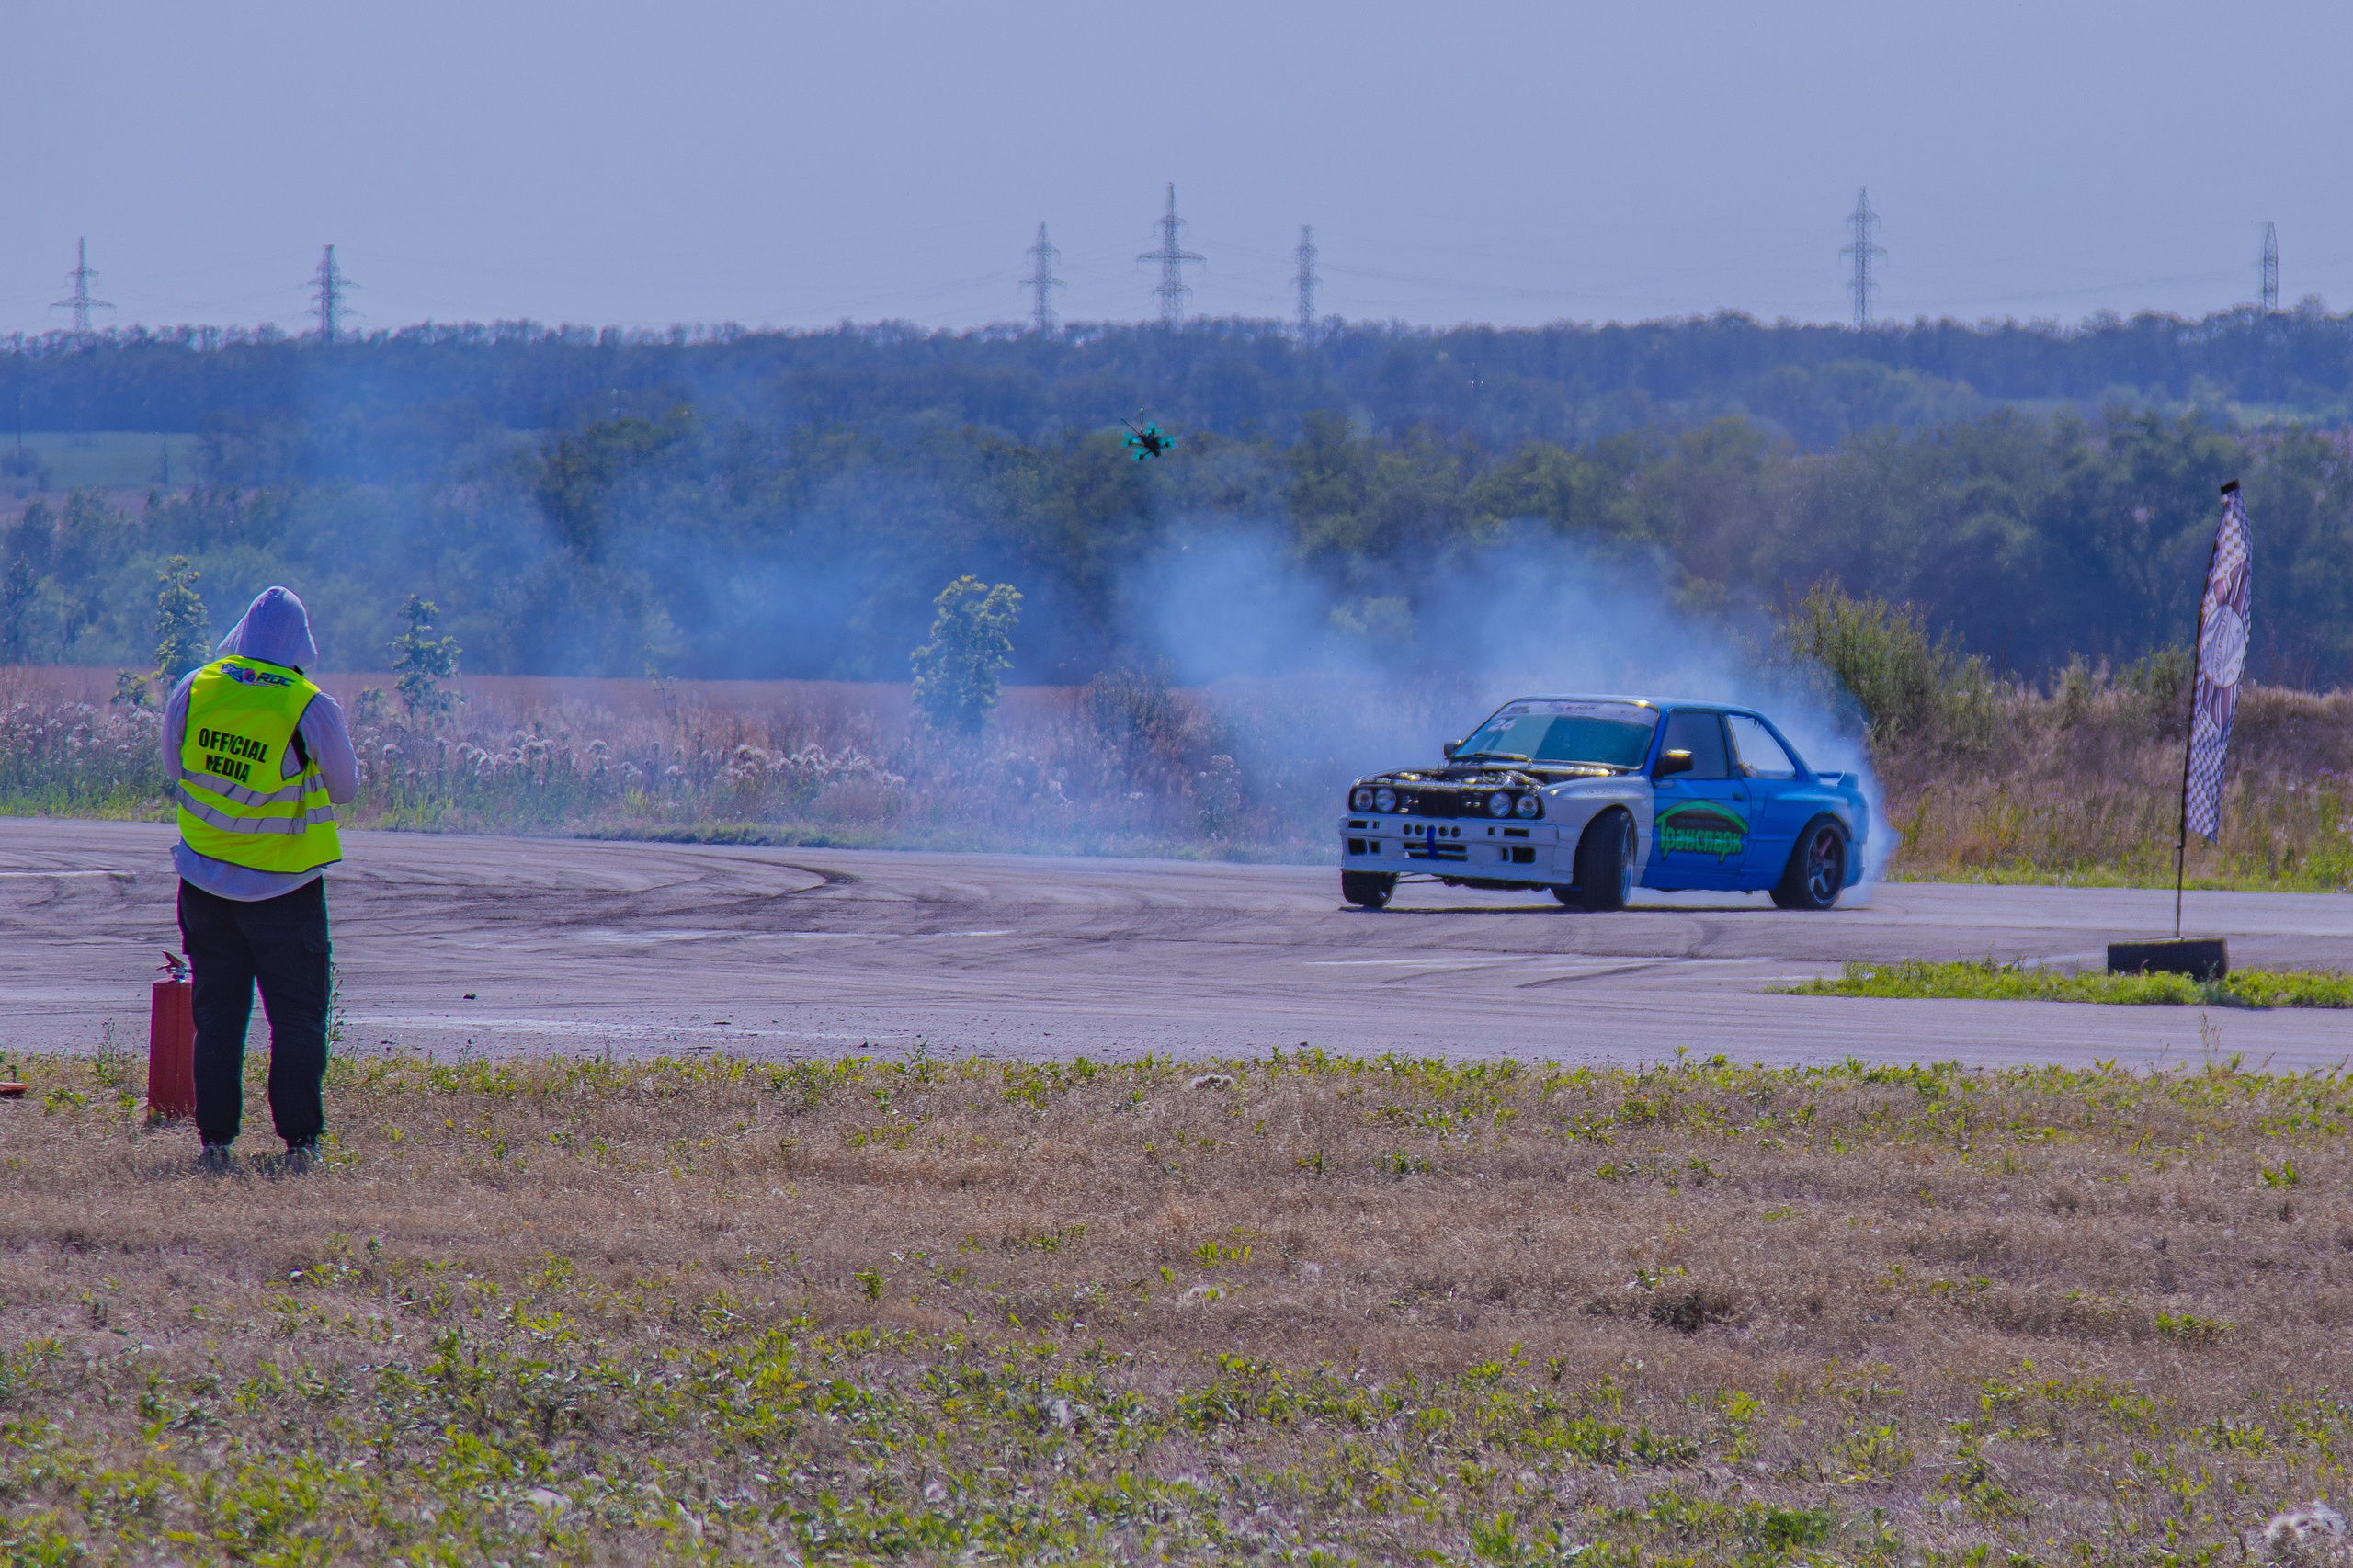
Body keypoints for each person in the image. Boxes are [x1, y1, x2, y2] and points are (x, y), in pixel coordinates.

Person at [161, 587, 358, 1174]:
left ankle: (215, 1144)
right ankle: (300, 1145)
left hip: (203, 884)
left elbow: (176, 766)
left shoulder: (195, 686)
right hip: (284, 891)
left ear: (242, 633)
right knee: (296, 1020)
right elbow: (346, 789)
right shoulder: (309, 704)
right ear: (300, 643)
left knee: (218, 1017)